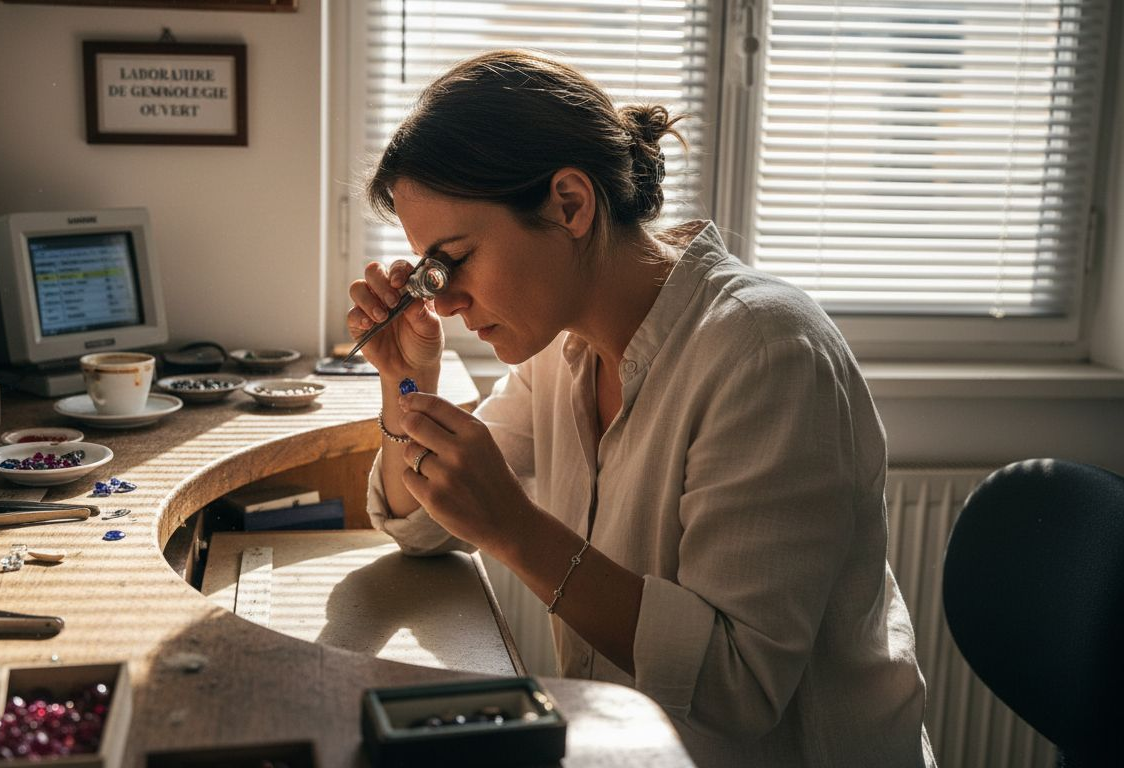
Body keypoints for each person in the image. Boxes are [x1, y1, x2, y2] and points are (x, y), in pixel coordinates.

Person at [348, 50, 935, 767]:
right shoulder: (554, 350)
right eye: (428, 272)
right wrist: (407, 386)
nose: (440, 300)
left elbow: (739, 686)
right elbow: (423, 528)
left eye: (455, 259)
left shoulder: (768, 351)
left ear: (569, 203)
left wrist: (515, 530)